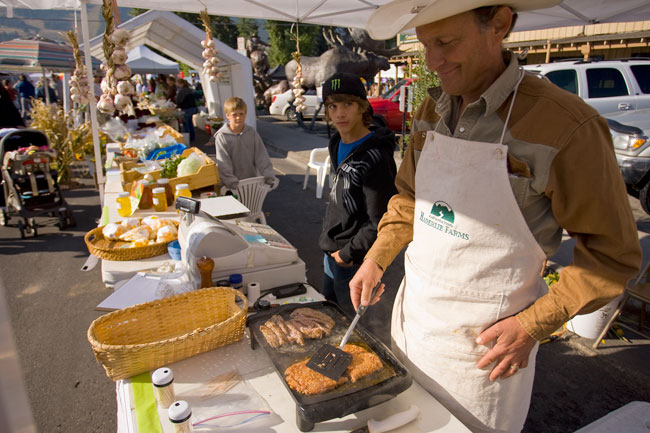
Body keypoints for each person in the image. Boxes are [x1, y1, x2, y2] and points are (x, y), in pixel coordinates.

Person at [350, 2, 642, 433]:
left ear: (499, 24)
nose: (433, 62)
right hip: (413, 325)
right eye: (426, 45)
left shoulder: (566, 126)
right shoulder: (432, 111)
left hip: (484, 354)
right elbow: (410, 199)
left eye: (446, 43)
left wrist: (532, 325)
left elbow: (613, 256)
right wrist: (376, 257)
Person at [318, 72, 397, 316]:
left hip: (354, 261)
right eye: (332, 106)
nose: (339, 113)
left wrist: (346, 255)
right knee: (328, 318)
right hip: (330, 254)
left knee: (356, 333)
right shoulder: (336, 142)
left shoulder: (376, 157)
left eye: (348, 104)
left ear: (362, 107)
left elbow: (381, 220)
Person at [214, 96, 276, 190]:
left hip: (251, 183)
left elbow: (262, 156)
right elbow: (223, 163)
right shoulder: (222, 136)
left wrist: (269, 176)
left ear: (245, 114)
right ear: (227, 115)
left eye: (241, 114)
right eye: (234, 114)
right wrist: (232, 183)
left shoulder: (251, 133)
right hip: (231, 186)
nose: (238, 117)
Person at [175, 78, 197, 143]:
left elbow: (179, 100)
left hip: (186, 108)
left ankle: (188, 138)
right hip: (192, 108)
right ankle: (192, 137)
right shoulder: (190, 89)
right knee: (190, 123)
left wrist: (179, 106)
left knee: (186, 124)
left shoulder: (181, 91)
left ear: (180, 83)